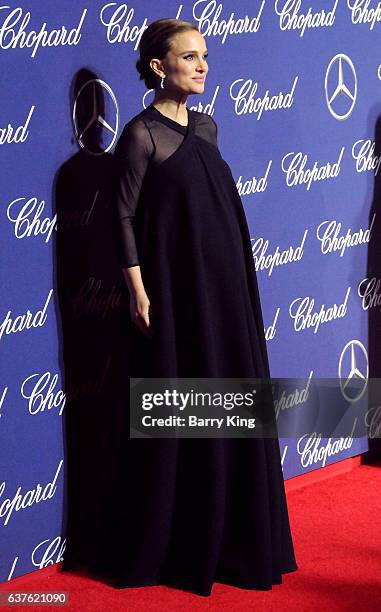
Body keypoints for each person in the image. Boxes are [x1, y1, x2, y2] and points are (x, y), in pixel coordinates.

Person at [108, 18, 298, 597]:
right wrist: (138, 291)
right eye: (189, 57)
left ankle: (236, 541)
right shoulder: (141, 135)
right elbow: (123, 217)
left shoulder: (209, 129)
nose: (202, 66)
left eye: (205, 56)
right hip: (174, 294)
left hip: (226, 291)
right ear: (158, 67)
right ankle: (181, 545)